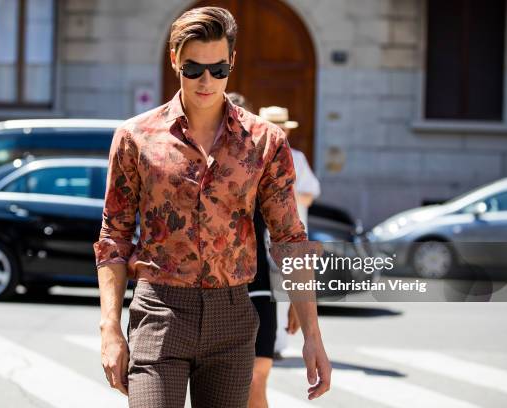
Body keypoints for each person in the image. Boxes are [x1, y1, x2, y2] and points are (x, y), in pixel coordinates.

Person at [94, 7, 331, 407]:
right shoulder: (135, 137)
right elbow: (114, 237)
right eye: (194, 69)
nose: (207, 81)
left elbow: (290, 239)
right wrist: (110, 329)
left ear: (232, 62)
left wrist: (313, 337)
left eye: (219, 70)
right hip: (159, 311)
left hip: (233, 317)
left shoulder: (265, 141)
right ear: (174, 60)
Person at [227, 92, 280, 408]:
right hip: (216, 292)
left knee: (258, 375)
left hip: (259, 287)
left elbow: (287, 233)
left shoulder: (264, 166)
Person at [259, 106, 321, 359]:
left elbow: (310, 195)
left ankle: (276, 344)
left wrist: (283, 193)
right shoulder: (254, 155)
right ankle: (265, 342)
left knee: (286, 289)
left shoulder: (297, 157)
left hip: (289, 233)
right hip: (263, 233)